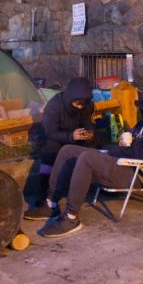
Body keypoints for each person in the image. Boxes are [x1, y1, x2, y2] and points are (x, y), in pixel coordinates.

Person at [38, 92, 143, 238]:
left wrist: (127, 150)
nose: (140, 111)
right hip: (120, 160)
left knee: (87, 158)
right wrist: (123, 141)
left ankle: (71, 218)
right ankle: (51, 203)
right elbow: (130, 142)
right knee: (68, 150)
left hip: (136, 173)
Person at [24, 77, 95, 220]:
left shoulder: (87, 106)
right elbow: (49, 131)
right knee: (51, 152)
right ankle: (44, 196)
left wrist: (89, 133)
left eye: (83, 104)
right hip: (54, 138)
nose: (80, 107)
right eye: (77, 103)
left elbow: (88, 123)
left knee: (90, 149)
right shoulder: (55, 105)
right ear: (70, 98)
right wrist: (70, 136)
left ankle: (76, 190)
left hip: (75, 138)